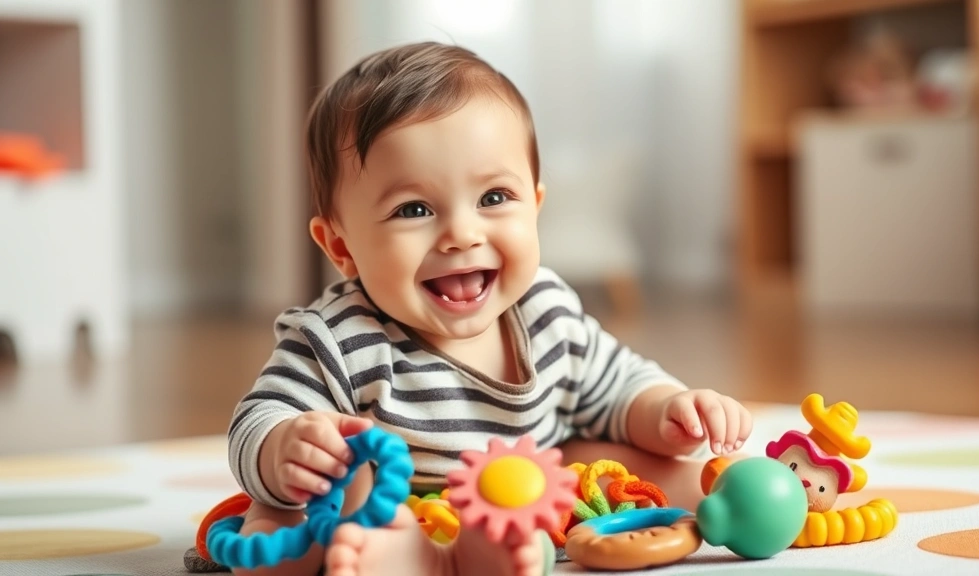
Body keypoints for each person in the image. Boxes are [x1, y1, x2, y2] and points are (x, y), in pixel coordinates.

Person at [226, 41, 753, 576]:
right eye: (414, 209)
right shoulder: (338, 337)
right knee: (285, 515)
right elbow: (256, 420)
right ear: (341, 247)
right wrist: (284, 447)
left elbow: (615, 387)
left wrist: (669, 410)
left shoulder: (545, 309)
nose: (461, 234)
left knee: (654, 463)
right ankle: (401, 555)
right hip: (391, 509)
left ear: (535, 206)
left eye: (494, 198)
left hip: (520, 498)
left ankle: (735, 504)